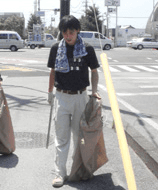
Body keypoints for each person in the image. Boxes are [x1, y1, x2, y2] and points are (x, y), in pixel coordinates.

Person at [47, 15, 100, 187]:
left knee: (79, 138)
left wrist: (94, 92)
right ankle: (59, 174)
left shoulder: (87, 48)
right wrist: (49, 93)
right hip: (61, 97)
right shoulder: (56, 48)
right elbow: (53, 72)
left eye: (71, 32)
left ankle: (78, 170)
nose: (68, 36)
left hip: (80, 97)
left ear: (78, 30)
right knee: (61, 139)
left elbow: (94, 71)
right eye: (64, 32)